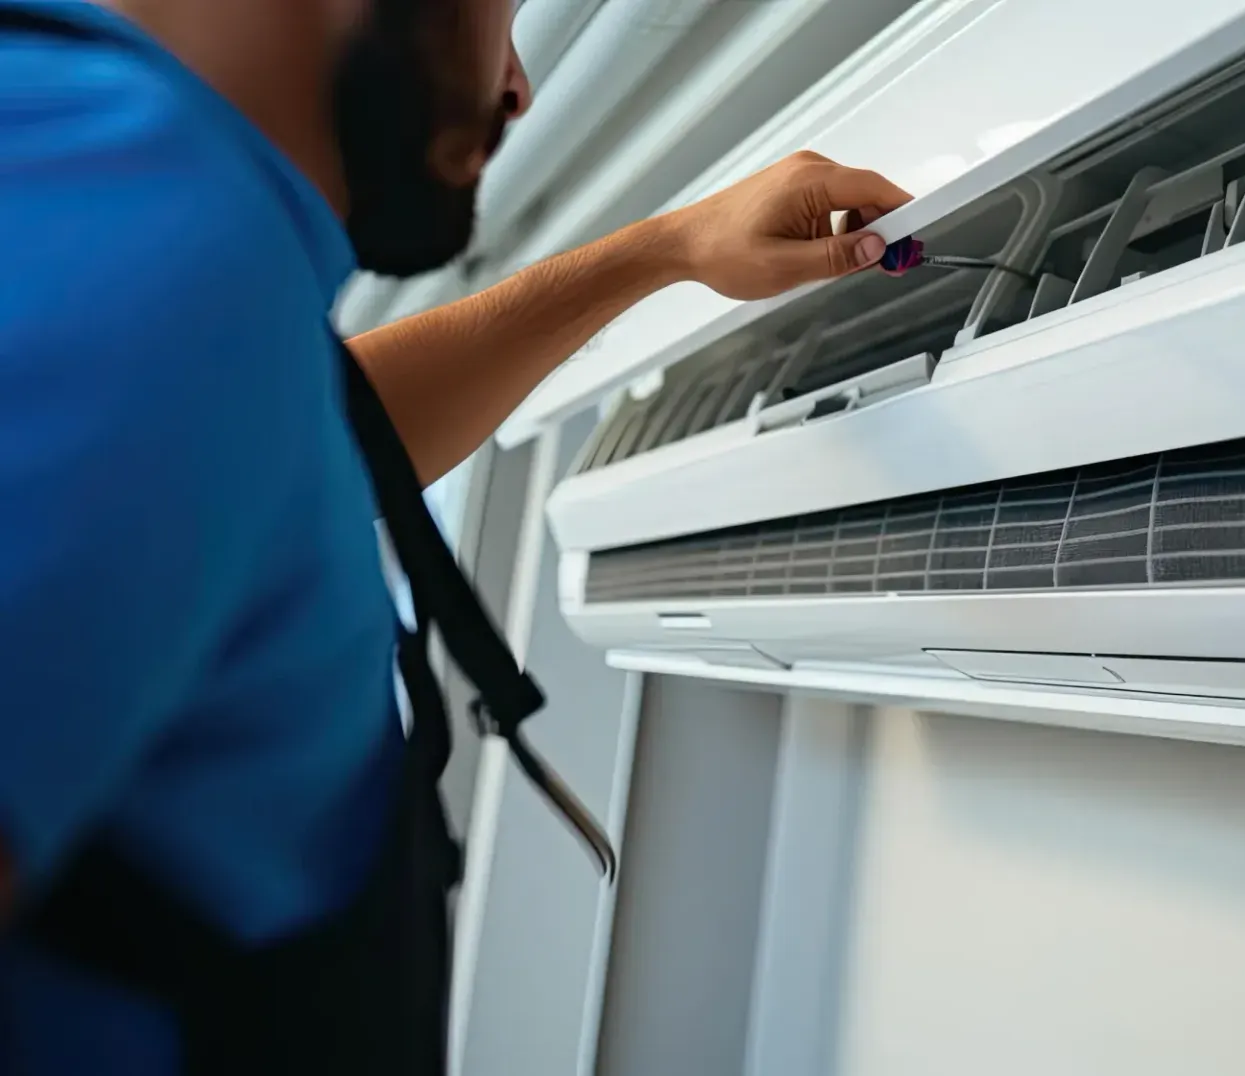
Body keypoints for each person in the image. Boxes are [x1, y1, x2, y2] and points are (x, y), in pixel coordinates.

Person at [0, 0, 912, 1071]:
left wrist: (667, 250)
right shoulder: (152, 221)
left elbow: (314, 429)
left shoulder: (113, 209)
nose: (517, 85)